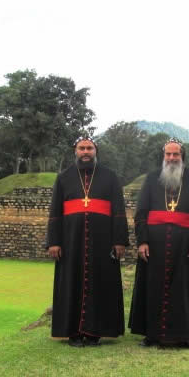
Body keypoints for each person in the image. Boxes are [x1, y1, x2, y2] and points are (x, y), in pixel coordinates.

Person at [46, 136, 128, 347]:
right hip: (70, 242)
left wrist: (120, 240)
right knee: (71, 284)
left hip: (103, 241)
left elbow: (119, 211)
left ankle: (95, 333)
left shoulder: (110, 177)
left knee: (102, 284)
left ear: (95, 151)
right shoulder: (63, 178)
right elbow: (55, 212)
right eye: (81, 148)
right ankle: (72, 333)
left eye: (89, 148)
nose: (85, 152)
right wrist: (53, 242)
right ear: (75, 151)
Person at [129, 139, 189, 349]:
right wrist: (142, 241)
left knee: (182, 289)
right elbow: (141, 212)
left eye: (176, 154)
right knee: (151, 287)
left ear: (182, 156)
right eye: (168, 154)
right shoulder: (152, 178)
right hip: (154, 244)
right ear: (163, 156)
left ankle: (184, 336)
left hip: (184, 244)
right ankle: (150, 335)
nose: (172, 158)